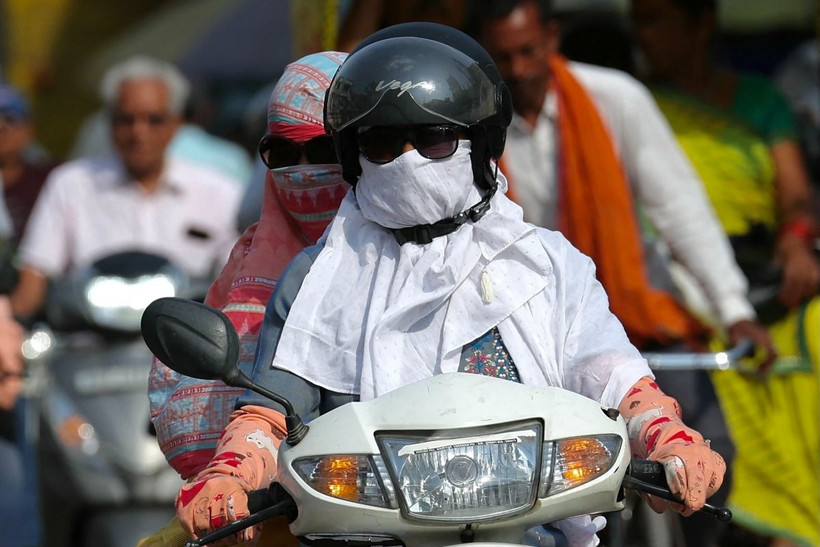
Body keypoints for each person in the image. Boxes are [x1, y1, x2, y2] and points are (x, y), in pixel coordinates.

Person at [172, 24, 726, 547]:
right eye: (382, 143)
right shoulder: (317, 277)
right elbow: (271, 411)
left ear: (478, 144)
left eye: (434, 138)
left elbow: (610, 371)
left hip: (538, 531)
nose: (407, 160)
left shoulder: (548, 261)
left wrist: (666, 435)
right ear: (354, 157)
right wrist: (231, 473)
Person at [465, 2, 775, 543]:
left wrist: (734, 310)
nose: (518, 70)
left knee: (708, 452)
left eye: (529, 51)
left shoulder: (617, 99)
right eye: (502, 57)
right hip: (542, 327)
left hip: (638, 317)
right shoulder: (473, 120)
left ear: (553, 37)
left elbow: (680, 209)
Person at [140, 51, 349, 547]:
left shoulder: (440, 260)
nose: (303, 172)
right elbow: (271, 396)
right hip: (281, 510)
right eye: (283, 153)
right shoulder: (261, 264)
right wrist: (229, 474)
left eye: (324, 149)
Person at [630, 0, 820, 545]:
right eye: (637, 21)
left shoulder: (760, 101)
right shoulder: (629, 105)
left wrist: (796, 240)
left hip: (765, 276)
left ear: (702, 22)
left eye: (656, 19)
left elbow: (796, 197)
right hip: (676, 285)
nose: (642, 35)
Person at [9, 56, 241, 320]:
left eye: (154, 120)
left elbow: (237, 280)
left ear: (176, 125)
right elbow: (34, 277)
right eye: (126, 119)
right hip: (87, 340)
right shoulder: (71, 185)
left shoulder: (218, 192)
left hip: (183, 340)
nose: (138, 132)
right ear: (109, 123)